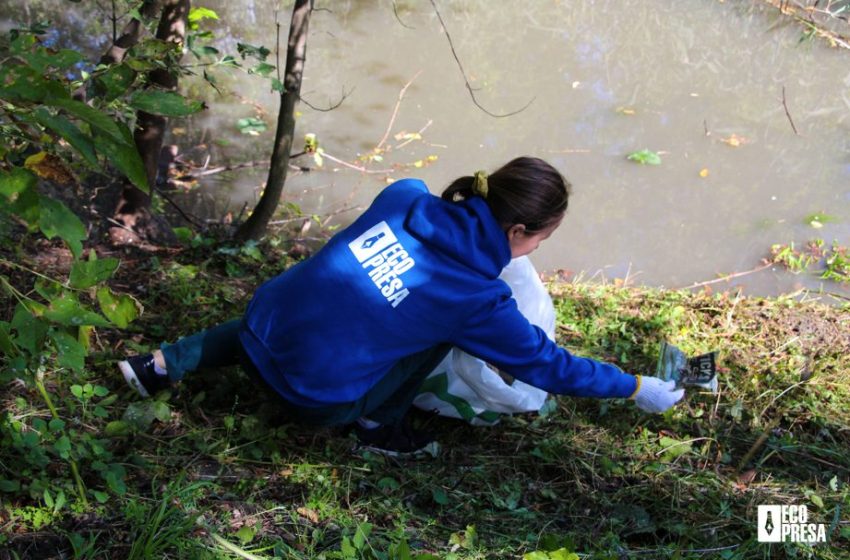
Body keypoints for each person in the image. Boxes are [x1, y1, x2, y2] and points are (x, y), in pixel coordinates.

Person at [119, 156, 684, 456]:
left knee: (310, 301)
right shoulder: (477, 299)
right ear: (518, 230)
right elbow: (548, 366)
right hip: (310, 397)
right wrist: (637, 387)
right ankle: (375, 426)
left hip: (257, 329)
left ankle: (161, 364)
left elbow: (427, 208)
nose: (537, 250)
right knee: (438, 336)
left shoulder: (405, 195)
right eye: (542, 239)